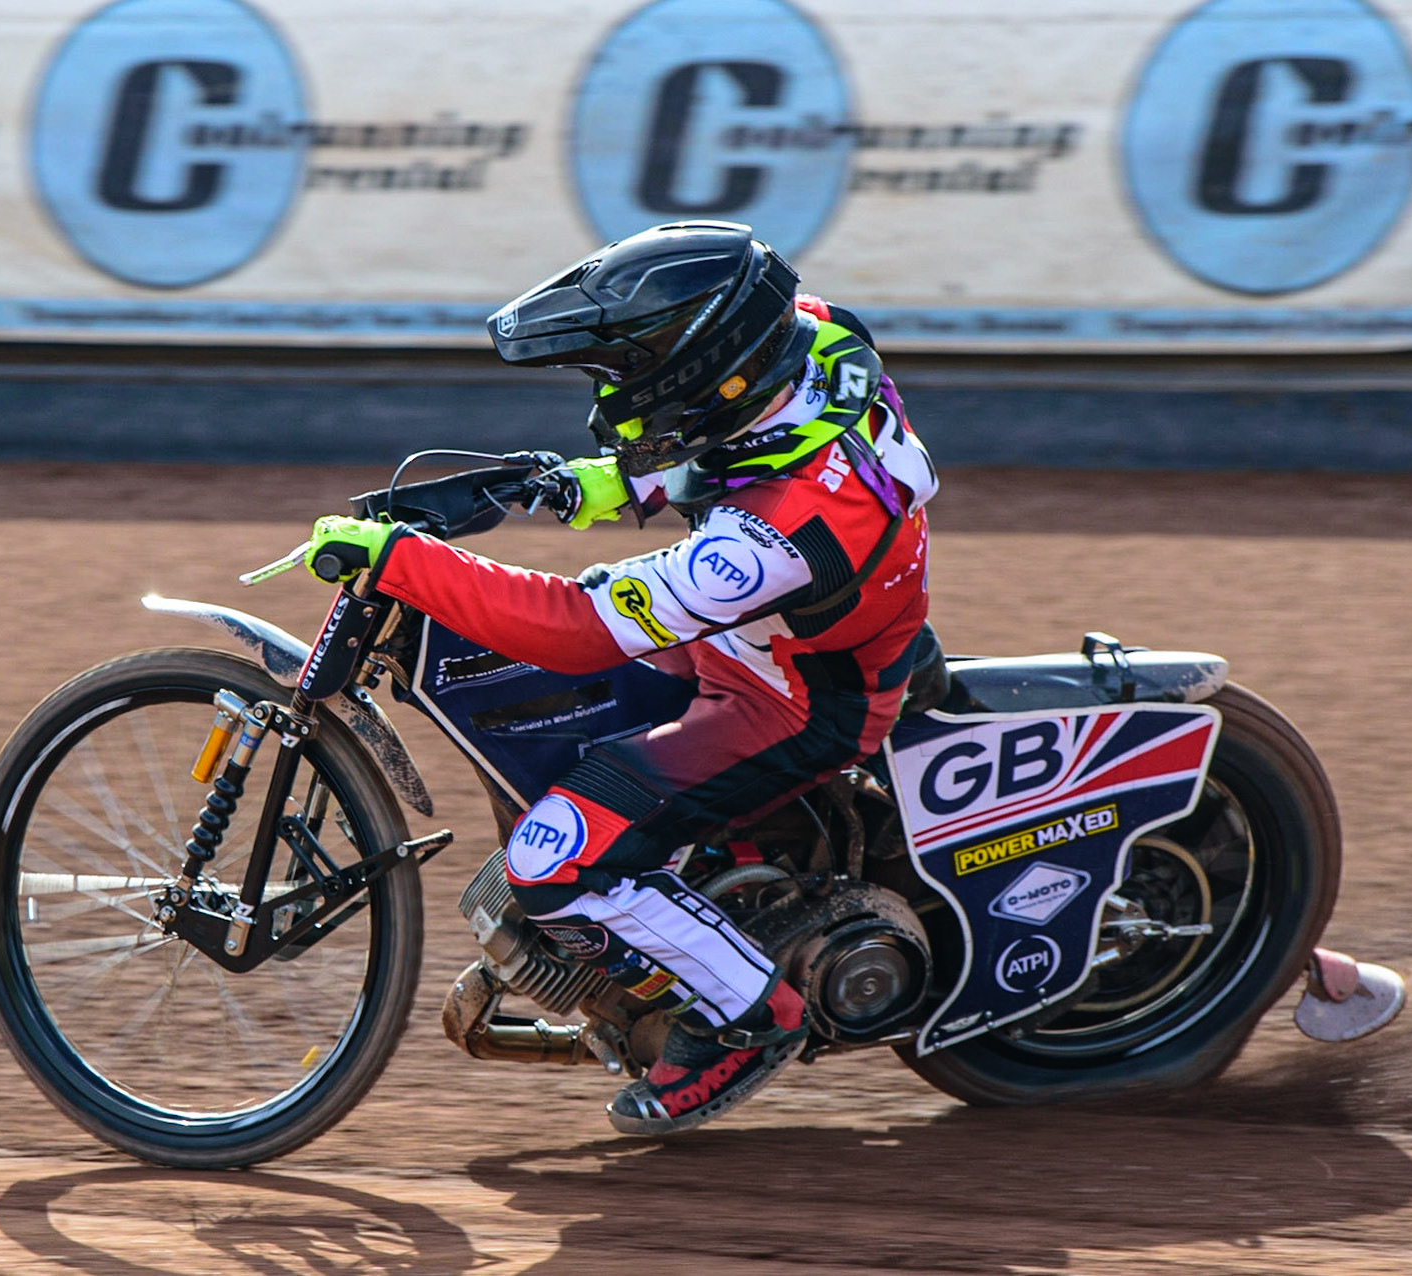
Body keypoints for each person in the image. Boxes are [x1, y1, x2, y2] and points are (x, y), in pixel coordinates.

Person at [300, 221, 938, 1134]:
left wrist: (403, 562)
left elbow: (577, 630)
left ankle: (747, 1020)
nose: (610, 401)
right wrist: (575, 486)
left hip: (793, 700)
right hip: (787, 631)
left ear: (699, 375)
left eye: (625, 382)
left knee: (554, 862)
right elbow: (737, 449)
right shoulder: (813, 334)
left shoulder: (780, 536)